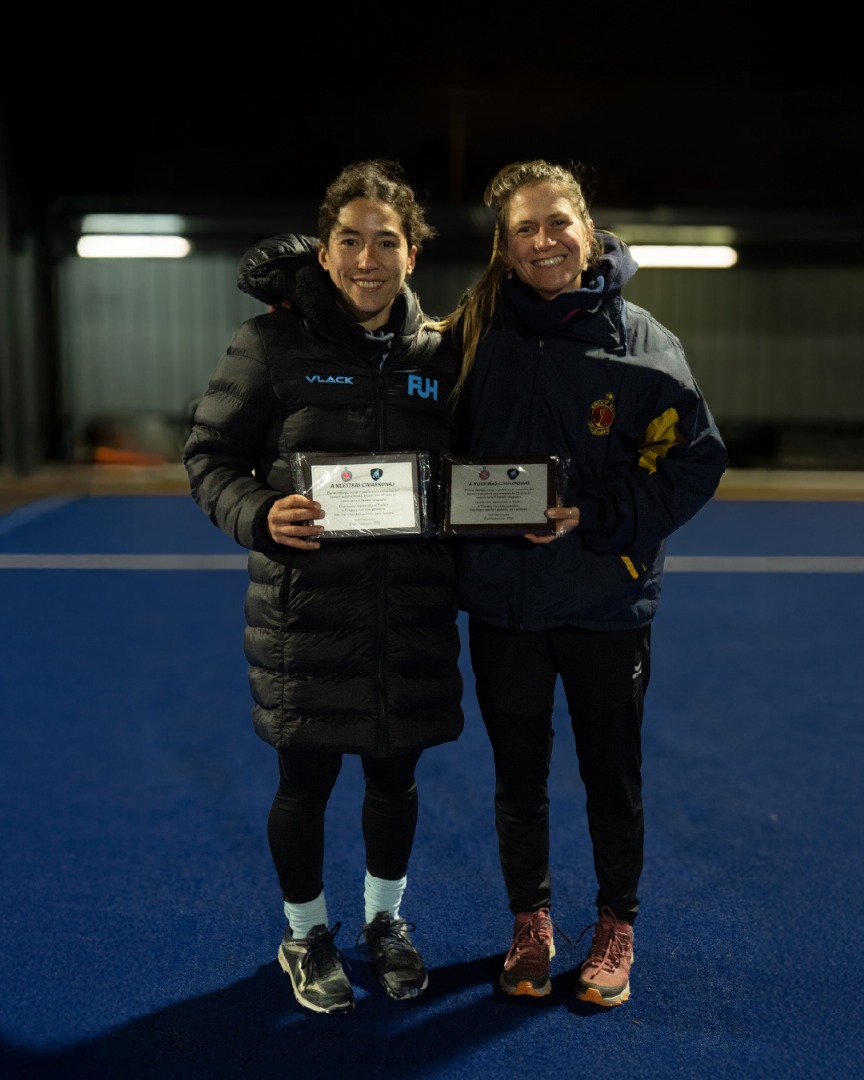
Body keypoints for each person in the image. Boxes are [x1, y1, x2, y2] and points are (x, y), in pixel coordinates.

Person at [432, 159, 727, 1006]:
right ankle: (531, 922)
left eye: (557, 221)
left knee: (611, 778)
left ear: (588, 230)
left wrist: (595, 516)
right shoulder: (469, 337)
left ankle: (614, 924)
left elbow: (695, 461)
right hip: (505, 602)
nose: (544, 240)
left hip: (605, 600)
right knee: (518, 779)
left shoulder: (642, 341)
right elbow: (419, 435)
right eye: (524, 228)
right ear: (505, 246)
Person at [183, 160, 464, 1016]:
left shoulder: (442, 353)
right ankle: (304, 934)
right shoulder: (269, 343)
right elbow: (209, 457)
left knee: (394, 781)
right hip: (305, 615)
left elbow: (472, 470)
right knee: (304, 786)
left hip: (410, 612)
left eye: (386, 241)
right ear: (326, 249)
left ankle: (385, 922)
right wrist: (259, 513)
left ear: (412, 253)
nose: (367, 260)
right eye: (350, 240)